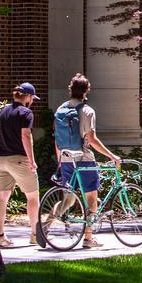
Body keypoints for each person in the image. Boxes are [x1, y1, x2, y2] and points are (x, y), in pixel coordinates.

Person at [55, 73, 120, 249]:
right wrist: (112, 156)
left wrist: (60, 160)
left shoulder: (61, 109)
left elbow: (57, 140)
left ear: (71, 89)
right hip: (84, 160)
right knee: (92, 198)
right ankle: (88, 238)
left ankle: (46, 225)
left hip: (67, 159)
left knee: (69, 196)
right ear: (86, 91)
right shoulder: (87, 111)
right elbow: (92, 140)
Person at [0, 82, 41, 248]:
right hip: (19, 159)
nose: (32, 101)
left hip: (1, 159)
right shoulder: (26, 113)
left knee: (1, 199)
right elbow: (26, 136)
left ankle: (0, 236)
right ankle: (35, 235)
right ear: (27, 97)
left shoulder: (3, 110)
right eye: (32, 98)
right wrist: (32, 160)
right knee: (33, 197)